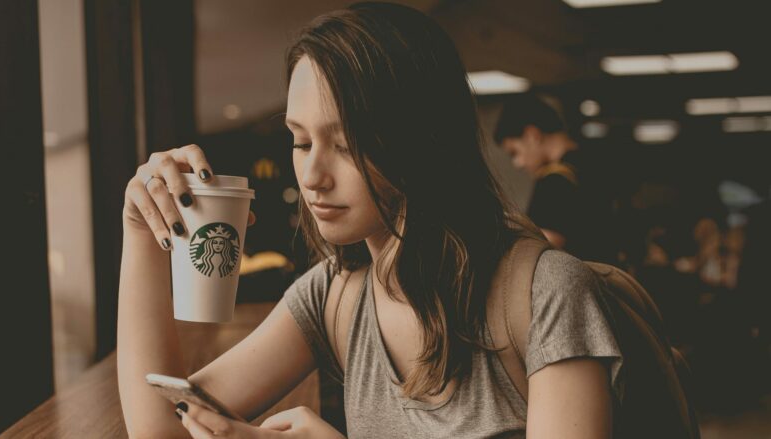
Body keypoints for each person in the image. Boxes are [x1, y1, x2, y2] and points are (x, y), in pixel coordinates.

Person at [118, 3, 623, 438]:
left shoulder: (547, 293)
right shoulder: (334, 296)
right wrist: (141, 229)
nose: (313, 175)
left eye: (345, 144)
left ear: (424, 143)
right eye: (300, 141)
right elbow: (163, 427)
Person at [493, 94, 618, 265]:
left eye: (515, 152)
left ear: (532, 135)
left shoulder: (554, 181)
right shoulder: (596, 162)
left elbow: (538, 251)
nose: (518, 163)